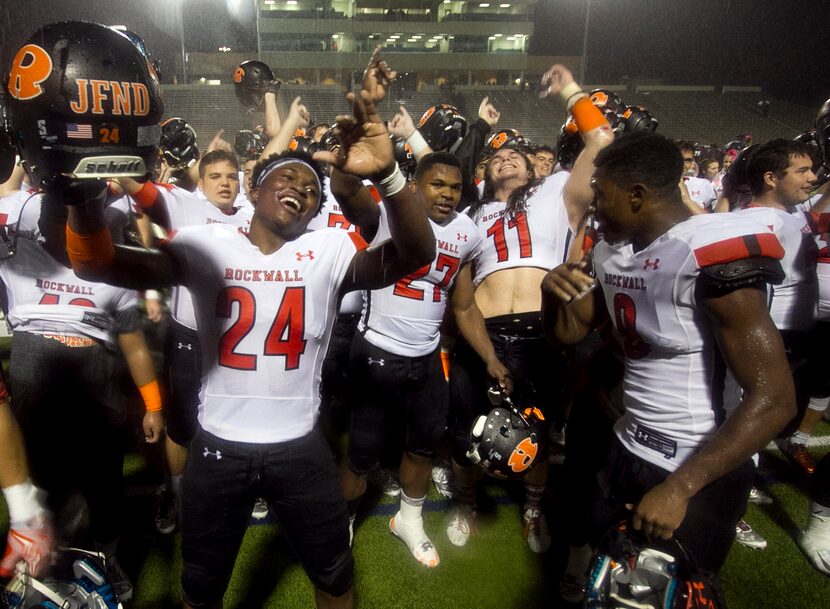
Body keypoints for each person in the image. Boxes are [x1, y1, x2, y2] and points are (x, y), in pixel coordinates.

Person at [61, 51, 434, 609]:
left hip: (300, 448)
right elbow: (94, 263)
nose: (301, 190)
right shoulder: (205, 241)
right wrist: (83, 188)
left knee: (335, 579)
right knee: (201, 587)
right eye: (287, 177)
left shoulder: (325, 248)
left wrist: (390, 173)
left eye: (311, 189)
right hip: (218, 447)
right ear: (255, 189)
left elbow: (416, 254)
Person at [541, 131, 795, 587]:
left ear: (637, 195)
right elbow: (568, 332)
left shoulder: (709, 252)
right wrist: (550, 293)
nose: (594, 206)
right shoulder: (611, 253)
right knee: (612, 582)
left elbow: (775, 399)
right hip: (626, 446)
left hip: (695, 463)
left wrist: (680, 488)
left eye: (602, 194)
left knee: (669, 595)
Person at [444, 63, 612, 554]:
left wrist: (571, 91)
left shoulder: (558, 192)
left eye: (516, 153)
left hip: (544, 332)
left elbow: (601, 141)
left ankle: (533, 506)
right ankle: (465, 501)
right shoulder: (472, 215)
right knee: (465, 428)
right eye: (498, 156)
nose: (507, 158)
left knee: (536, 428)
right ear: (485, 171)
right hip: (484, 331)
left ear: (533, 165)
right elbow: (463, 292)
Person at [334, 152, 509, 567]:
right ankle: (343, 519)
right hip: (376, 347)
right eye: (438, 184)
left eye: (454, 187)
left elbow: (464, 306)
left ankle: (409, 520)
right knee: (361, 452)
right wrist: (345, 158)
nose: (448, 194)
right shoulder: (387, 213)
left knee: (423, 446)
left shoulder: (467, 232)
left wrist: (490, 357)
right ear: (414, 185)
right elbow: (345, 192)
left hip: (427, 355)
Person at [118, 148, 254, 532]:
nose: (226, 183)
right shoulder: (185, 206)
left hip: (235, 338)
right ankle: (175, 491)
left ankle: (234, 487)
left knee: (237, 416)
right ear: (201, 181)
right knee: (182, 422)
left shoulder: (250, 213)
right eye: (216, 177)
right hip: (192, 335)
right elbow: (141, 190)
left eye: (231, 176)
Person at [739, 139, 820, 475]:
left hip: (799, 329)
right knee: (755, 409)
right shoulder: (754, 222)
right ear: (771, 178)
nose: (812, 177)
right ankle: (739, 477)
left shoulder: (792, 211)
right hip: (773, 332)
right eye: (802, 171)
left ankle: (762, 459)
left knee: (784, 407)